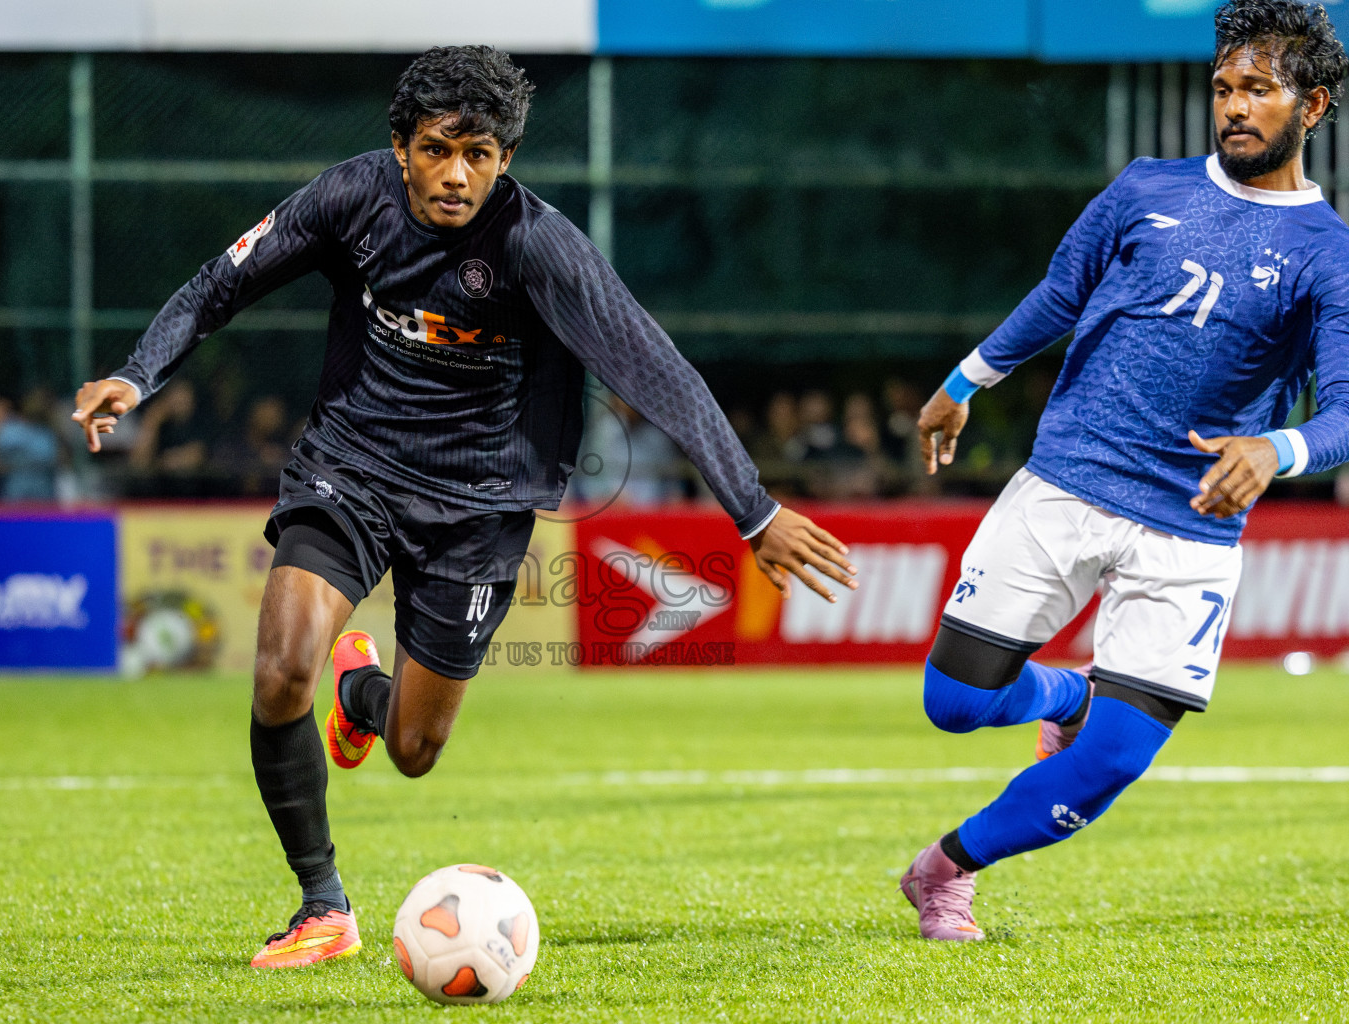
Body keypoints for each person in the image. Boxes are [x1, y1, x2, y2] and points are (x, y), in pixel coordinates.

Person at [70, 46, 856, 968]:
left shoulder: (539, 245)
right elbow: (222, 281)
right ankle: (322, 904)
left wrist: (754, 511)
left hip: (479, 507)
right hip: (351, 466)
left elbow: (655, 366)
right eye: (438, 150)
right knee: (280, 670)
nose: (456, 175)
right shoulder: (350, 197)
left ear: (505, 158)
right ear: (401, 147)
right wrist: (137, 374)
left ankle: (361, 695)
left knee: (414, 748)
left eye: (479, 155)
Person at [901, 0, 1349, 941]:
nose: (1235, 106)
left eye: (1259, 89)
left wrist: (1278, 449)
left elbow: (1345, 411)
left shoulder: (1329, 256)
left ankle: (947, 869)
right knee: (956, 704)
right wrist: (965, 380)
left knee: (1110, 762)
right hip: (1067, 481)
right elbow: (1060, 293)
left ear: (1311, 107)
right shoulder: (1146, 185)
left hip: (1191, 527)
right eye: (1224, 87)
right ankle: (1068, 691)